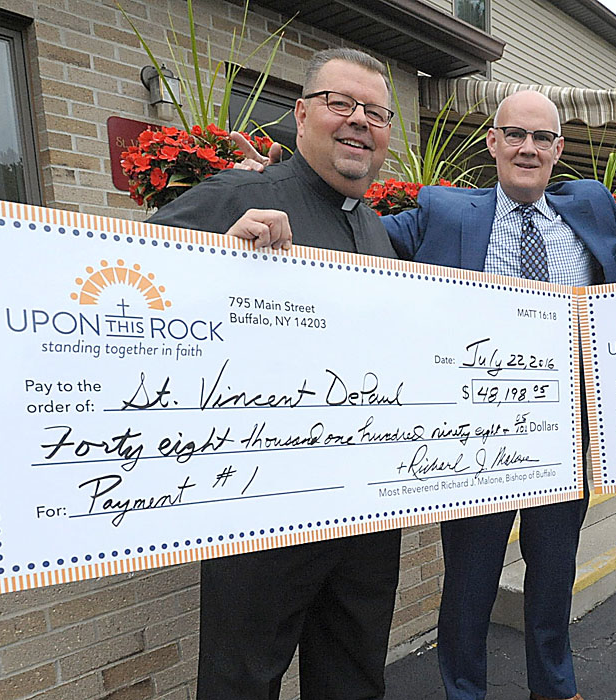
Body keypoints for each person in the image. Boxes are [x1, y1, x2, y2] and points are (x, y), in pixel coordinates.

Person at [230, 88, 616, 700]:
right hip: (473, 442)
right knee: (470, 587)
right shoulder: (443, 211)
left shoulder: (592, 208)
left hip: (564, 438)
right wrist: (277, 192)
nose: (528, 148)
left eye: (542, 138)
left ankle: (554, 689)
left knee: (553, 583)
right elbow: (351, 234)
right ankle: (464, 691)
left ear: (558, 150)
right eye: (516, 135)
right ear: (494, 143)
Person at [146, 47, 402, 700]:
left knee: (355, 676)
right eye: (340, 103)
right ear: (300, 113)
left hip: (365, 516)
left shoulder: (377, 230)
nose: (358, 122)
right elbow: (123, 286)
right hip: (262, 514)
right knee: (241, 683)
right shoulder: (238, 197)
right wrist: (213, 264)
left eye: (374, 112)